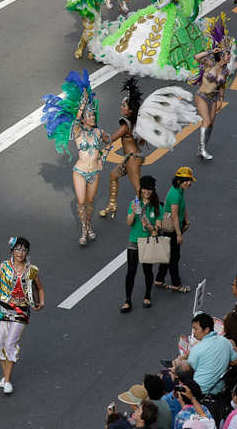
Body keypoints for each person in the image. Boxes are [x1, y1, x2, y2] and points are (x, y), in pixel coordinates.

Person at [41, 70, 112, 245]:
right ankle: (85, 230)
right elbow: (77, 119)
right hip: (80, 172)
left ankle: (88, 227)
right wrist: (83, 104)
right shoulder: (78, 132)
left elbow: (110, 142)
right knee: (80, 201)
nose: (92, 117)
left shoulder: (99, 132)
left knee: (90, 202)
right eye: (89, 115)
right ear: (83, 119)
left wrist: (102, 160)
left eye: (93, 115)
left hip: (94, 172)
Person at [0, 237, 44, 394]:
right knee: (0, 344)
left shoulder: (32, 270)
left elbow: (39, 288)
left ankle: (7, 380)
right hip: (3, 309)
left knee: (10, 345)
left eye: (23, 250)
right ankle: (6, 375)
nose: (20, 253)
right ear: (12, 250)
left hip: (21, 311)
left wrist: (40, 302)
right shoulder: (4, 266)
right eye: (18, 249)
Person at [180, 313, 237, 423]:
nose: (193, 332)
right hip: (219, 386)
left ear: (206, 330)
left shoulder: (197, 349)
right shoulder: (226, 342)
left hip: (200, 391)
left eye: (195, 328)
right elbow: (235, 362)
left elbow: (188, 372)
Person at [190, 15, 234, 161]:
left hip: (214, 98)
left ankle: (201, 148)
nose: (230, 56)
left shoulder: (225, 70)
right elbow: (196, 57)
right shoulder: (210, 63)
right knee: (206, 122)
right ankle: (202, 150)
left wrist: (221, 100)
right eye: (228, 53)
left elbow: (222, 86)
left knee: (211, 125)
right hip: (202, 96)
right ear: (221, 54)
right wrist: (211, 51)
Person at [100, 77, 145, 218]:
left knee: (139, 188)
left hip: (133, 159)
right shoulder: (135, 122)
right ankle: (112, 205)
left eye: (124, 106)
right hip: (130, 158)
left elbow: (110, 139)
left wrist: (97, 133)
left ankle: (143, 215)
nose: (121, 107)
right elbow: (142, 141)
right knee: (113, 176)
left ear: (130, 111)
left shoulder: (125, 124)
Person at [121, 175, 162, 313]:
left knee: (147, 270)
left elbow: (158, 227)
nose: (147, 192)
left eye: (150, 189)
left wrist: (149, 227)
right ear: (141, 189)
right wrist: (132, 211)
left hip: (148, 242)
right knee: (131, 271)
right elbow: (128, 223)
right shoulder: (134, 203)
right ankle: (127, 300)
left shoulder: (156, 207)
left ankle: (147, 296)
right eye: (145, 189)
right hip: (134, 241)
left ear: (153, 190)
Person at [154, 167, 194, 293]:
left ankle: (160, 279)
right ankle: (176, 283)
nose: (188, 183)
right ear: (178, 181)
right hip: (171, 230)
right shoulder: (175, 194)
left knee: (167, 254)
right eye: (185, 181)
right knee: (174, 257)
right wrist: (179, 235)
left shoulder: (178, 190)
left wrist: (187, 220)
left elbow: (183, 207)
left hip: (175, 227)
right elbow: (175, 215)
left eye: (189, 180)